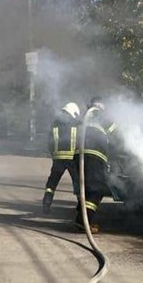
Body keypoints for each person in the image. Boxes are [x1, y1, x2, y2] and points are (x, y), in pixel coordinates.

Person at [75, 98, 113, 234]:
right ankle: (82, 222)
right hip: (95, 156)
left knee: (84, 187)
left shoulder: (83, 117)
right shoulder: (102, 117)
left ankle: (81, 218)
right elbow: (117, 136)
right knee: (97, 189)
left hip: (79, 156)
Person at [42, 102, 81, 214]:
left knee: (52, 182)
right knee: (77, 182)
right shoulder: (76, 123)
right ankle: (81, 206)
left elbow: (49, 142)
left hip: (58, 158)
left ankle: (46, 203)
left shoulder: (54, 124)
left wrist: (54, 155)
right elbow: (80, 141)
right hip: (72, 158)